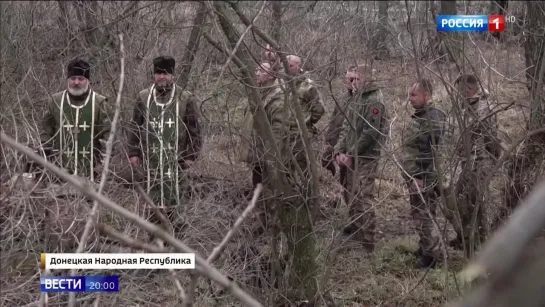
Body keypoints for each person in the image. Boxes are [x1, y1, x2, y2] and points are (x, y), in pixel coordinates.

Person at [126, 55, 202, 237]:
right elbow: (135, 127)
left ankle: (176, 246)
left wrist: (192, 156)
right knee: (152, 207)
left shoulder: (185, 98)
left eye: (166, 74)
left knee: (176, 207)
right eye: (159, 73)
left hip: (177, 162)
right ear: (154, 75)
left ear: (173, 76)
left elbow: (195, 130)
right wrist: (133, 152)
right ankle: (153, 246)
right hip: (150, 163)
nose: (162, 77)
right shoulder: (143, 97)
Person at [332, 64, 388, 253]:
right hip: (351, 154)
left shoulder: (375, 101)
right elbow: (347, 127)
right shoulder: (356, 98)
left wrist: (351, 153)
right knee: (352, 192)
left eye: (357, 79)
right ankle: (356, 227)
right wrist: (339, 150)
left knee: (364, 196)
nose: (353, 82)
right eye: (351, 79)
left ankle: (368, 240)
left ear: (367, 79)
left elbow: (370, 132)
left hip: (366, 155)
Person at [444, 74, 501, 256]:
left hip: (481, 163)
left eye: (459, 90)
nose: (456, 94)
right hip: (465, 163)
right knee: (459, 199)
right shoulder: (463, 108)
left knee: (476, 201)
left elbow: (492, 141)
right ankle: (466, 237)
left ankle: (481, 241)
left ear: (468, 90)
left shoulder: (484, 109)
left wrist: (489, 163)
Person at [36, 58, 111, 183]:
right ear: (67, 80)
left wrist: (103, 164)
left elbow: (109, 136)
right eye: (73, 79)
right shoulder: (55, 101)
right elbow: (45, 133)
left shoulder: (100, 103)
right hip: (59, 169)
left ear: (88, 80)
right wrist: (46, 159)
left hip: (92, 171)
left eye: (81, 79)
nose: (76, 82)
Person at [401, 79, 447, 269]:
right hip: (417, 175)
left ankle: (432, 255)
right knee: (421, 212)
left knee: (424, 214)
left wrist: (419, 176)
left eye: (414, 95)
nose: (409, 99)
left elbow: (428, 149)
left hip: (425, 176)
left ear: (426, 96)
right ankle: (425, 247)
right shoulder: (422, 115)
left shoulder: (433, 118)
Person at [322, 65, 360, 176]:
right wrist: (330, 145)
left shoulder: (363, 101)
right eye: (348, 79)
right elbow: (335, 123)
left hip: (355, 150)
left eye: (353, 79)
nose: (350, 82)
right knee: (345, 182)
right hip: (340, 147)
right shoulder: (343, 98)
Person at [285, 55, 325, 135]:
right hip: (283, 131)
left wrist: (306, 122)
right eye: (285, 66)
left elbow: (318, 109)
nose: (287, 69)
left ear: (299, 66)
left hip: (300, 133)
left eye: (290, 66)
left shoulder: (308, 85)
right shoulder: (282, 83)